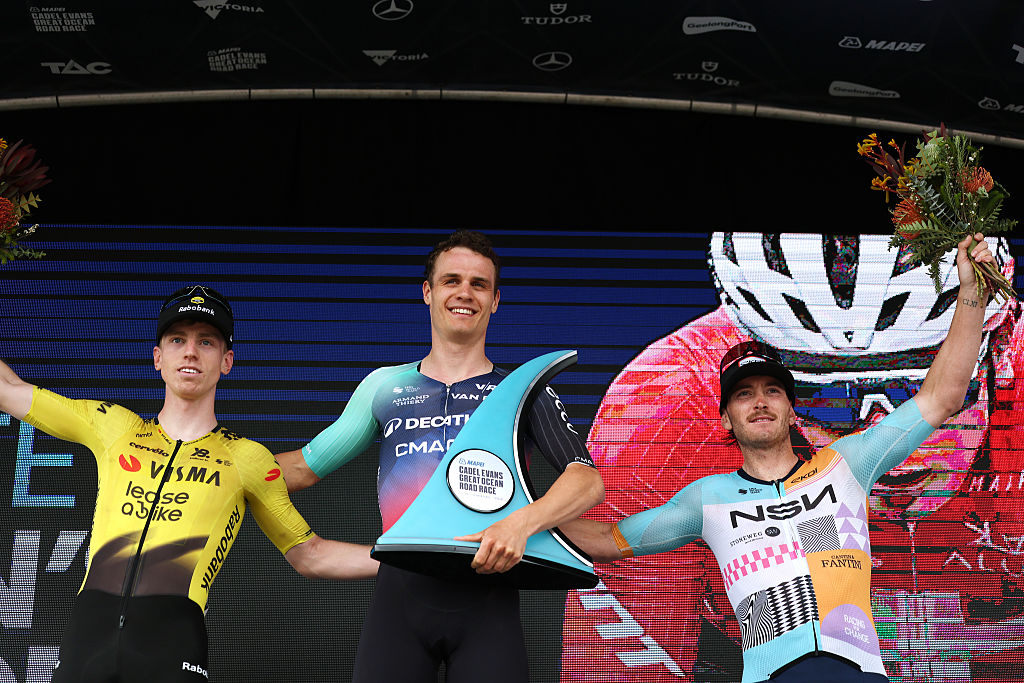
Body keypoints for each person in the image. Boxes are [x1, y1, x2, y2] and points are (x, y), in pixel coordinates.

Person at [561, 234, 1000, 683]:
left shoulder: (843, 464)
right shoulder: (706, 499)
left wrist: (970, 294)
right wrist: (510, 519)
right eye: (743, 395)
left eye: (773, 390)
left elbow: (942, 397)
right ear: (725, 420)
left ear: (791, 411)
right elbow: (603, 541)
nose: (760, 402)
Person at [0, 284, 378, 683]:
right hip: (87, 635)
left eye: (207, 341)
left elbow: (311, 555)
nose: (191, 351)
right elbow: (8, 390)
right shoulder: (113, 426)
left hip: (173, 640)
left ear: (227, 361)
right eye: (177, 339)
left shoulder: (247, 458)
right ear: (158, 358)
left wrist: (405, 559)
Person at [276, 230, 605, 682]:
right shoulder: (385, 386)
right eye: (451, 280)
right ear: (428, 292)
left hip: (489, 596)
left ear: (495, 301)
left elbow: (586, 481)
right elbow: (302, 469)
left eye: (479, 284)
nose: (464, 293)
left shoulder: (522, 392)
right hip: (400, 594)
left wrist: (520, 524)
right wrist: (226, 465)